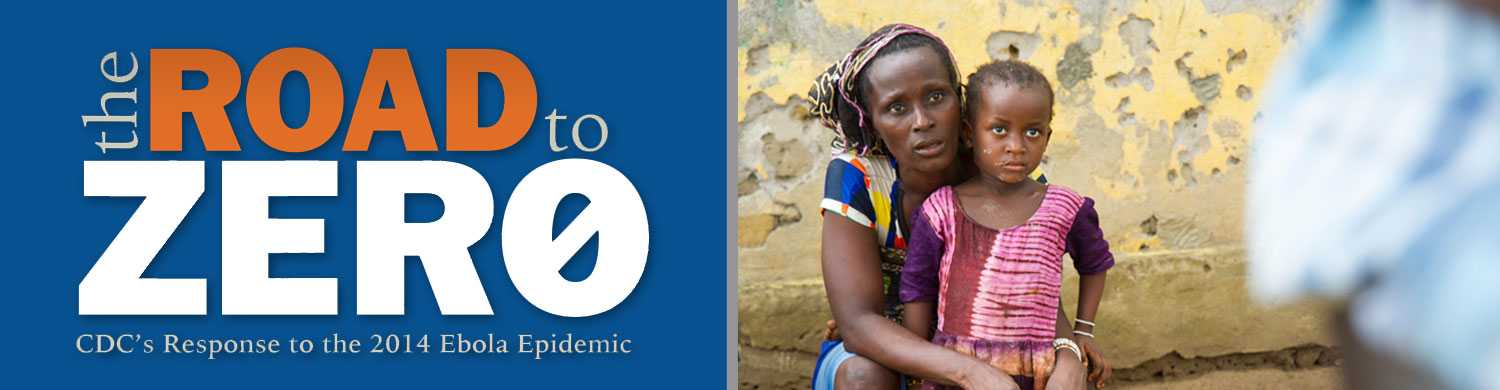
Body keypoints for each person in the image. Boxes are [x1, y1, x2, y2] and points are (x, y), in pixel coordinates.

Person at [808, 24, 1092, 390]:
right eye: (896, 108)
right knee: (866, 375)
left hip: (982, 336)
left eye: (936, 97)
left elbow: (1034, 288)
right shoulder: (858, 177)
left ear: (960, 101)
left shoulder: (1002, 163)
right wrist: (970, 372)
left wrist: (1068, 353)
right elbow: (858, 324)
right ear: (873, 123)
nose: (923, 121)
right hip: (887, 349)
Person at [898, 60, 1114, 390]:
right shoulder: (941, 211)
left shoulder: (1065, 208)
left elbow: (1095, 262)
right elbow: (917, 288)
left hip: (1041, 373)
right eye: (999, 129)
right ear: (970, 134)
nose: (1016, 146)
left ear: (1047, 137)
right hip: (959, 374)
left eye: (1032, 131)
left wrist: (1082, 332)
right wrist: (916, 362)